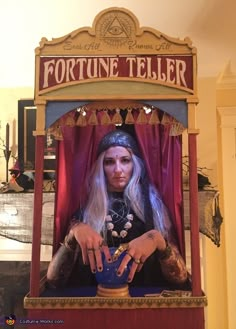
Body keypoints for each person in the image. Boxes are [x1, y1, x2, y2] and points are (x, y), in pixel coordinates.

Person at [47, 130, 187, 289]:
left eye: (125, 160)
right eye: (109, 162)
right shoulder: (85, 212)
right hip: (97, 302)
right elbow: (53, 280)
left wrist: (157, 240)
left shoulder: (154, 208)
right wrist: (73, 234)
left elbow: (180, 278)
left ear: (135, 164)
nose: (118, 169)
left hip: (144, 303)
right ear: (101, 167)